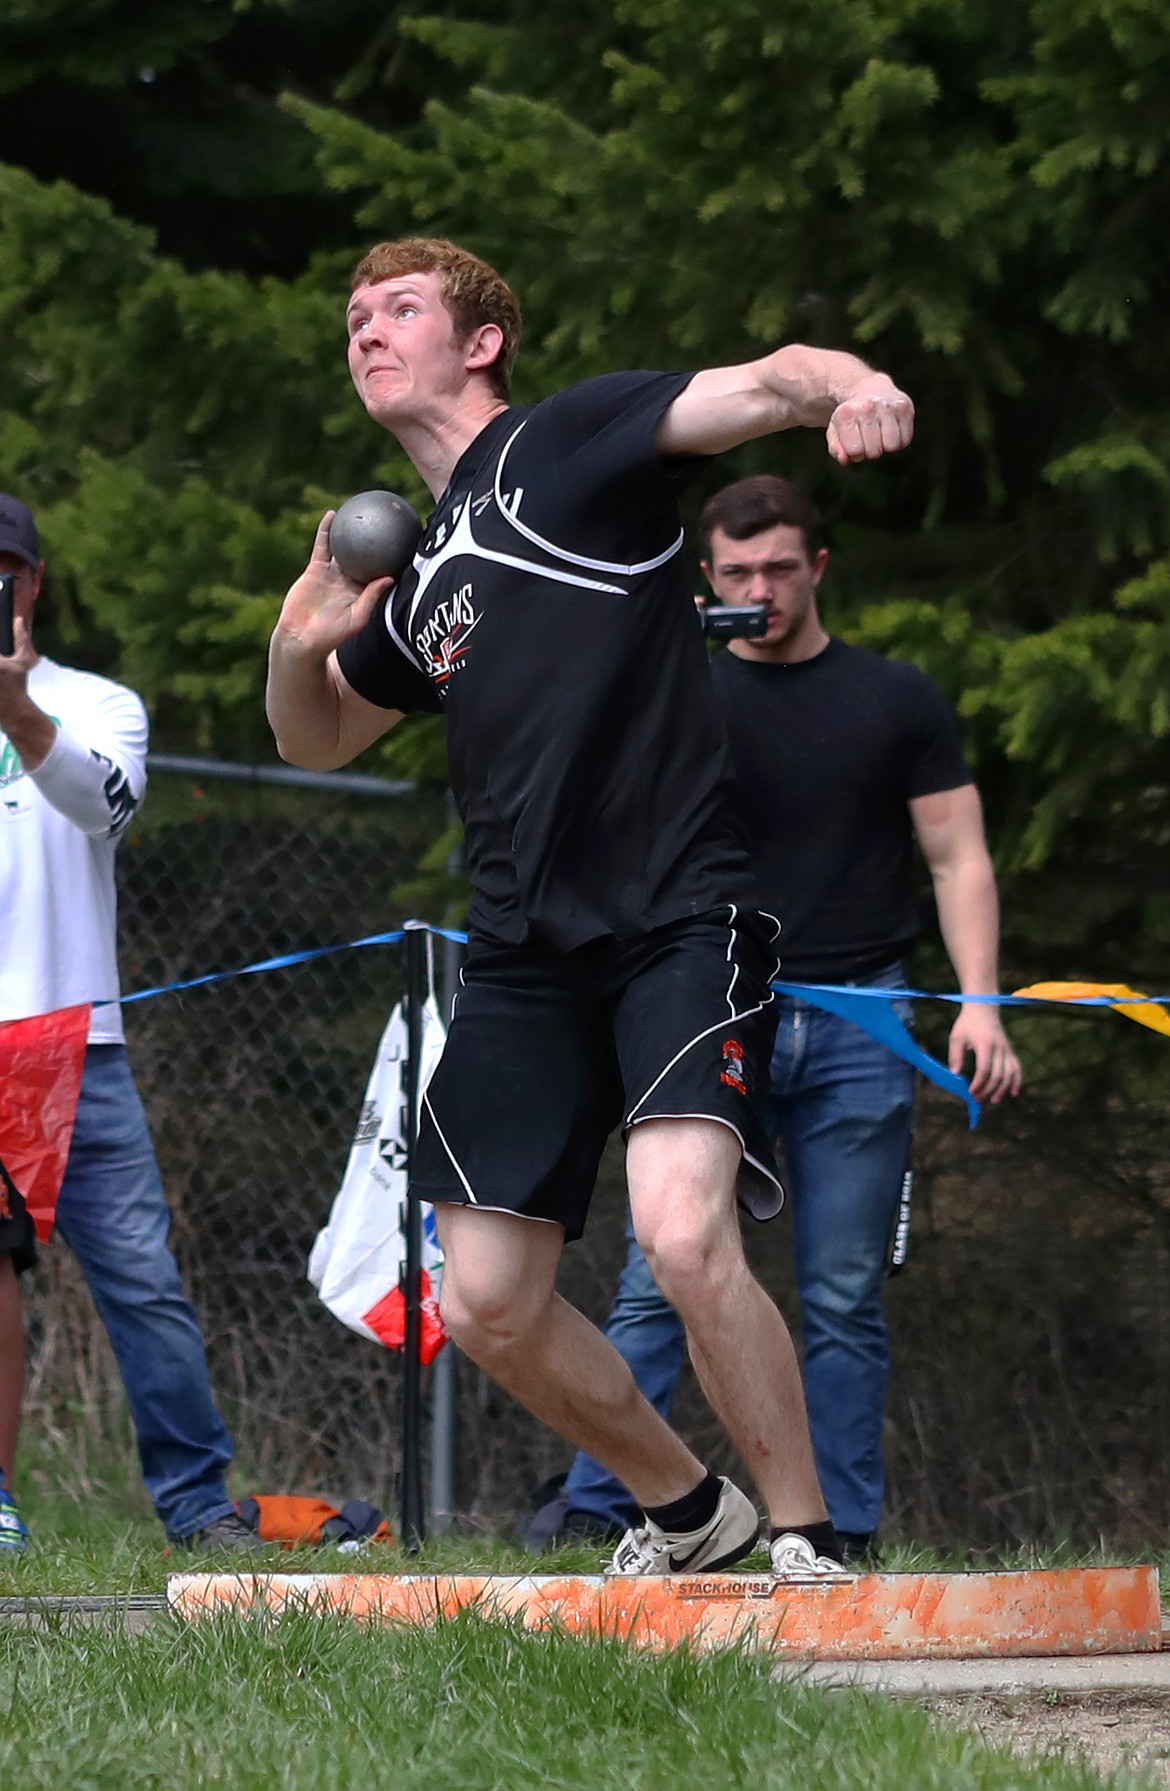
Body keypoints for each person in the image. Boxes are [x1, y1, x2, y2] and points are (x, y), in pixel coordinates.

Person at [266, 237, 915, 1578]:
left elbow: (766, 382)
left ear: (482, 339)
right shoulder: (426, 572)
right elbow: (316, 738)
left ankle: (809, 1538)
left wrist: (852, 382)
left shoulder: (566, 446)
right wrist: (300, 639)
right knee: (485, 1298)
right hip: (521, 948)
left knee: (681, 1229)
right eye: (352, 317)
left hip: (677, 909)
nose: (366, 332)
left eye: (399, 309)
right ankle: (690, 1511)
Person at [543, 474, 1023, 1562]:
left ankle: (837, 1528)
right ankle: (609, 1507)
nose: (760, 587)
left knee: (846, 1294)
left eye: (780, 567)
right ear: (707, 578)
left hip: (864, 1018)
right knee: (661, 1267)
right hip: (711, 1005)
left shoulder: (897, 697)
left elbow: (958, 856)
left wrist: (982, 1005)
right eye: (737, 571)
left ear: (819, 567)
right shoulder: (685, 695)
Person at [0, 493, 262, 1553]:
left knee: (143, 1286)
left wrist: (19, 714)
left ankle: (200, 1507)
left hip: (76, 1046)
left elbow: (105, 803)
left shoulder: (98, 702)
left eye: (3, 573)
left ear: (36, 581)